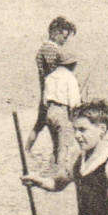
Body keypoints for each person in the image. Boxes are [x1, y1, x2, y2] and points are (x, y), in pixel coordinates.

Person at [29, 16, 77, 151]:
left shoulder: (46, 48)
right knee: (57, 134)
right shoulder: (50, 49)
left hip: (48, 94)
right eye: (64, 36)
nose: (65, 40)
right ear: (55, 33)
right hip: (54, 96)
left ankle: (27, 152)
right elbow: (55, 72)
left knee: (40, 126)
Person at [40, 55, 82, 174]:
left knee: (55, 147)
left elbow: (44, 100)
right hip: (62, 112)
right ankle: (60, 176)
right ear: (71, 65)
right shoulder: (70, 77)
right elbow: (74, 101)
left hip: (50, 112)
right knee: (64, 147)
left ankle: (51, 172)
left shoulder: (49, 77)